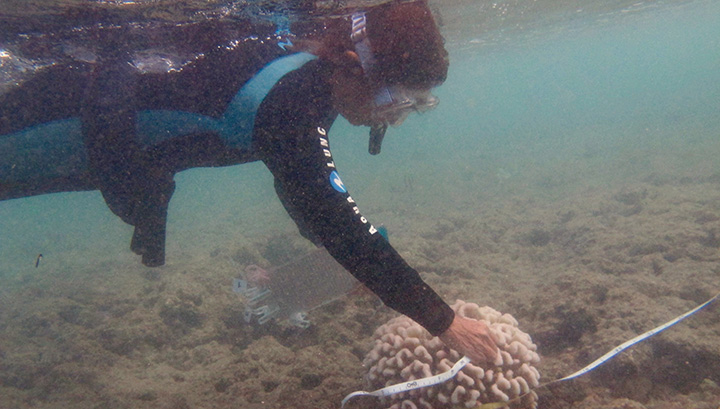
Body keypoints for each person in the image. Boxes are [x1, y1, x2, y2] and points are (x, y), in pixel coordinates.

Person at [0, 1, 498, 364]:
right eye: (396, 98)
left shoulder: (312, 82)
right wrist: (445, 322)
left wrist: (359, 270)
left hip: (80, 131)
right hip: (45, 124)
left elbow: (305, 195)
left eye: (415, 103)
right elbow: (336, 219)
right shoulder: (290, 105)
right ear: (350, 66)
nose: (397, 117)